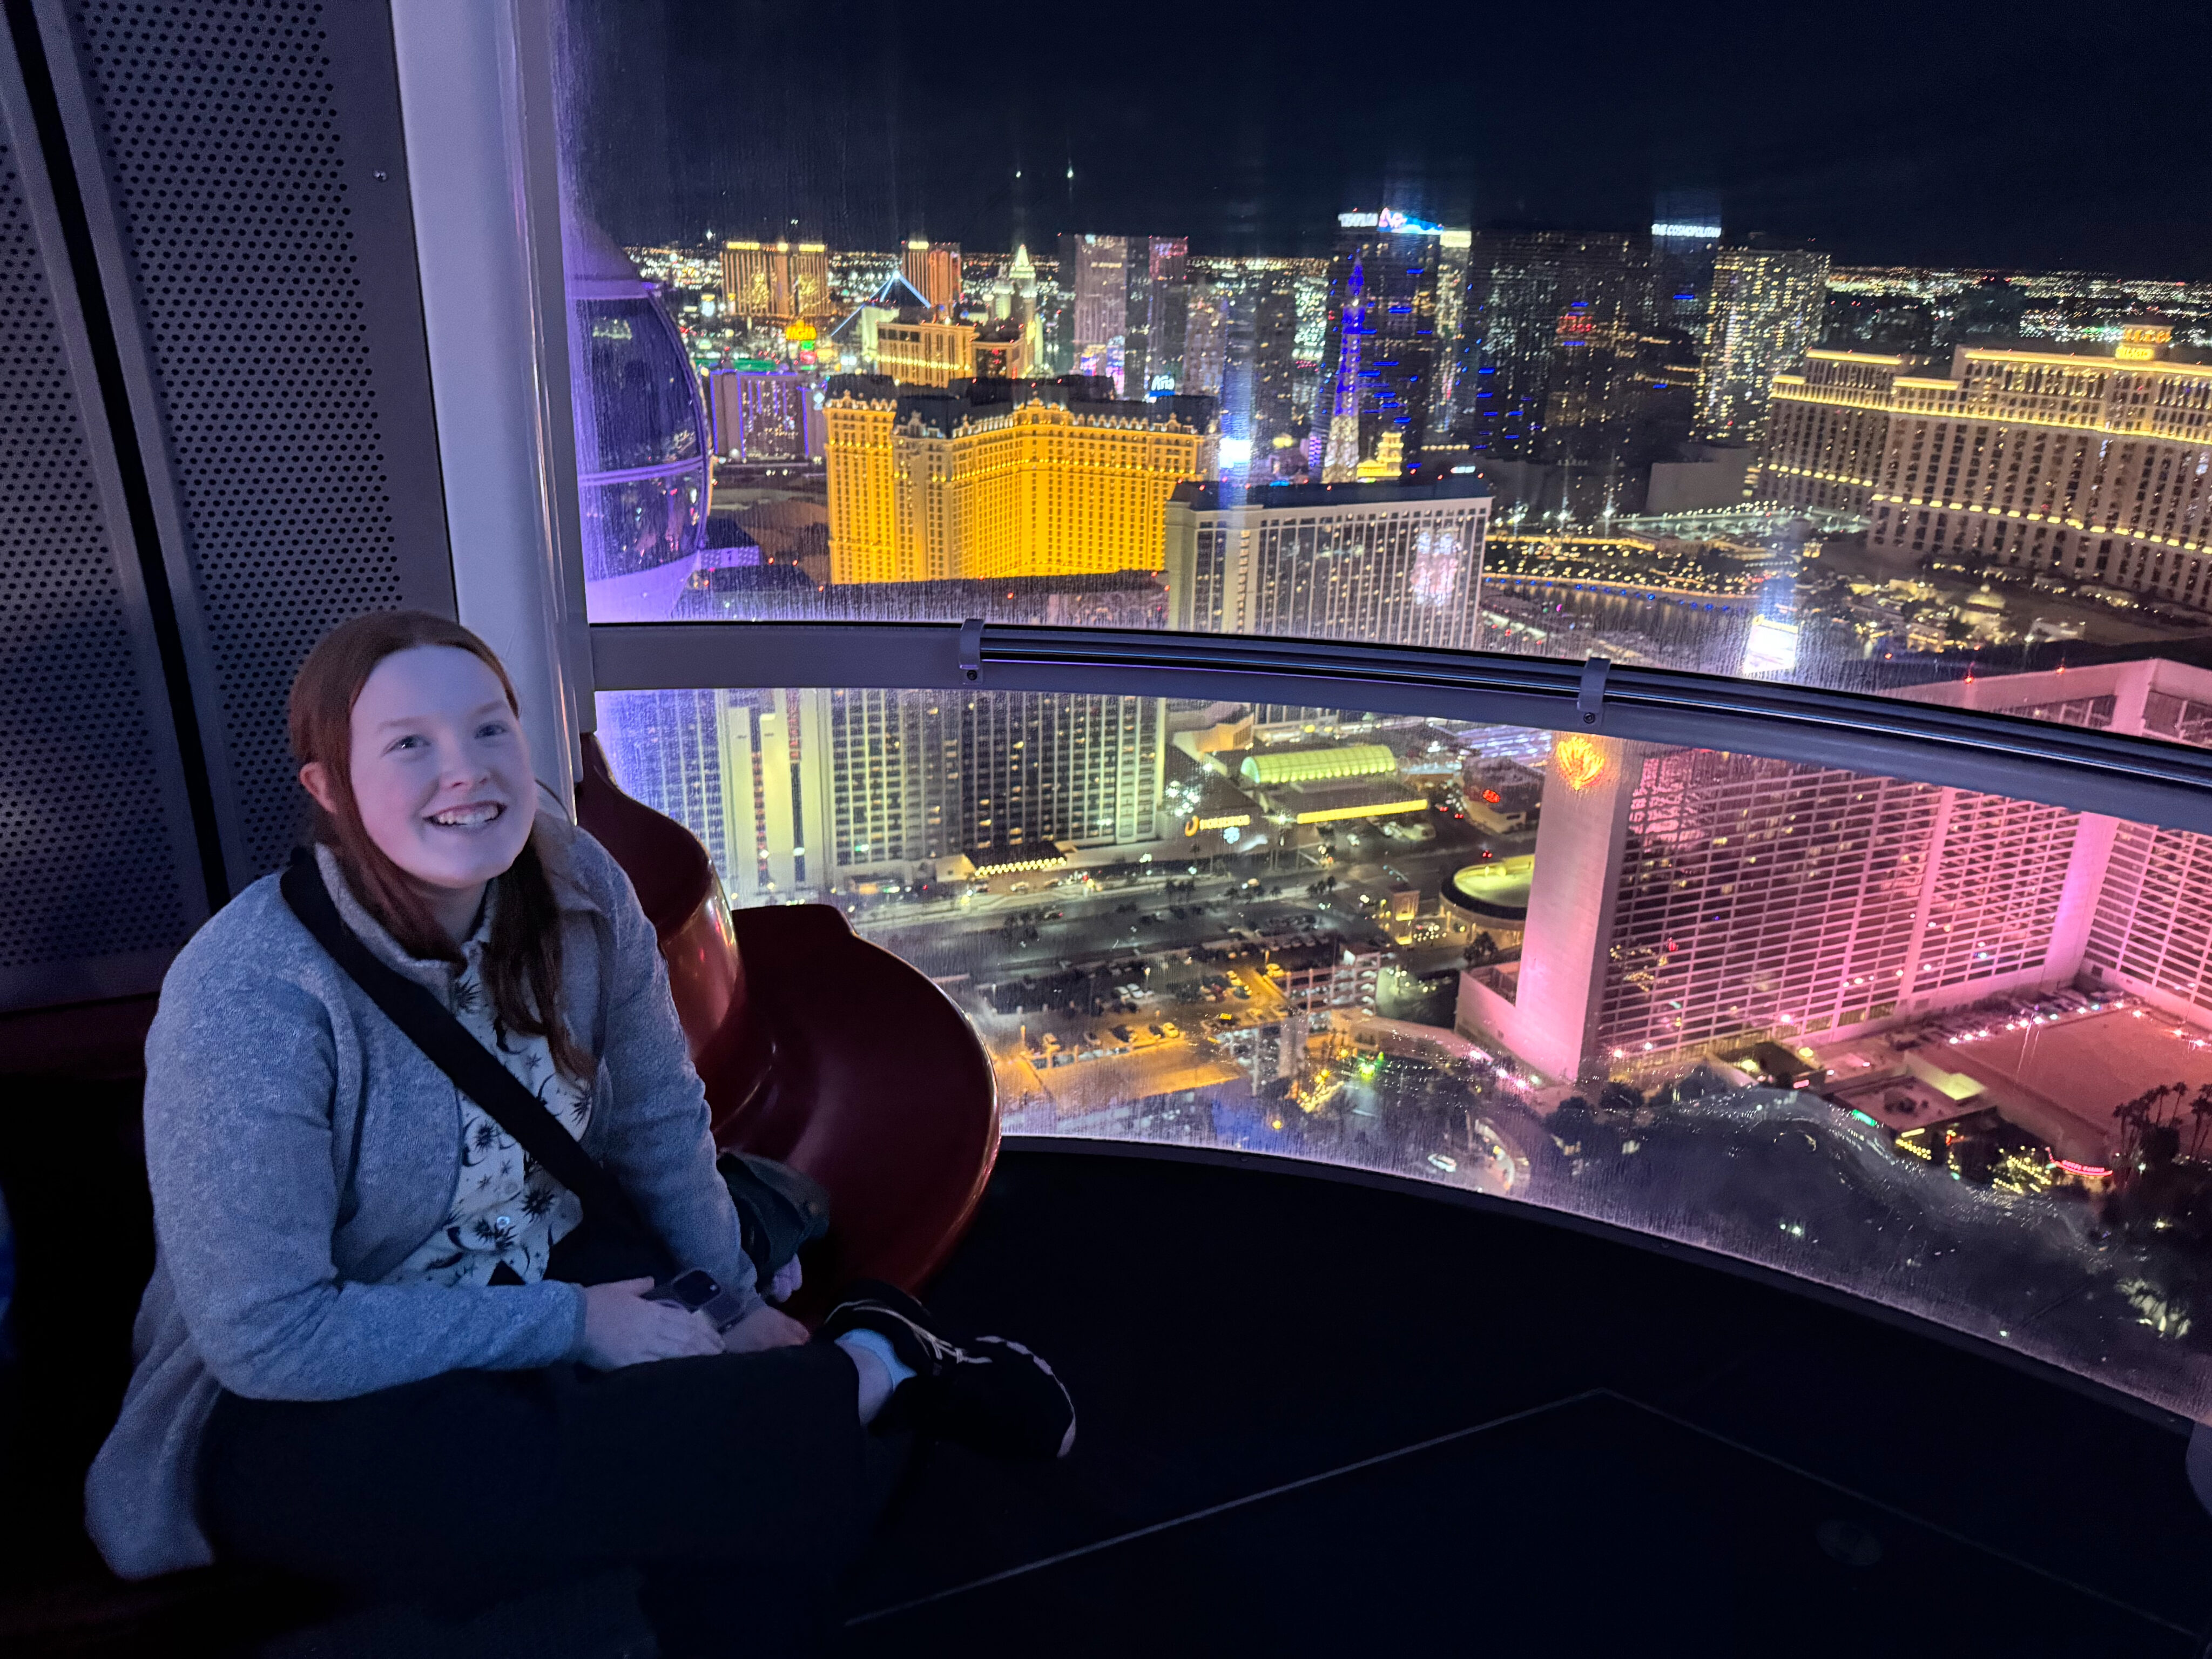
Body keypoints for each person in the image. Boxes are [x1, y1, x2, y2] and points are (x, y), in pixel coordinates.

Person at [85, 611, 1073, 1652]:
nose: (465, 772)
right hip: (319, 1358)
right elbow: (268, 1336)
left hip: (541, 1248)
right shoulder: (248, 994)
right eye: (409, 743)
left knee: (713, 1461)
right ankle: (873, 1368)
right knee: (460, 1486)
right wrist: (578, 1324)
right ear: (329, 790)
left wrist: (726, 1302)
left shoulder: (581, 890)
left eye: (489, 729)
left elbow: (655, 1120)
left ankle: (801, 1410)